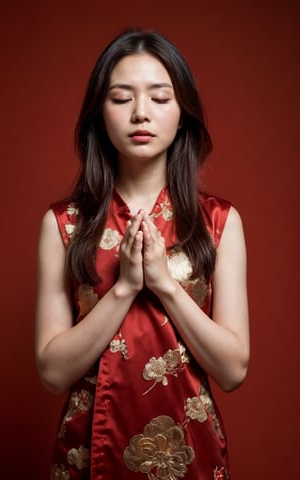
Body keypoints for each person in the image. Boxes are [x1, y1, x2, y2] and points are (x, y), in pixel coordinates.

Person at [35, 28, 249, 480]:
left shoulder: (219, 223)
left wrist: (166, 287)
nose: (140, 114)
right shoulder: (64, 224)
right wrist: (125, 287)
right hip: (87, 455)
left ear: (182, 113)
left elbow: (233, 370)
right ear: (99, 115)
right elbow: (52, 372)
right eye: (121, 98)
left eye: (159, 97)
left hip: (189, 454)